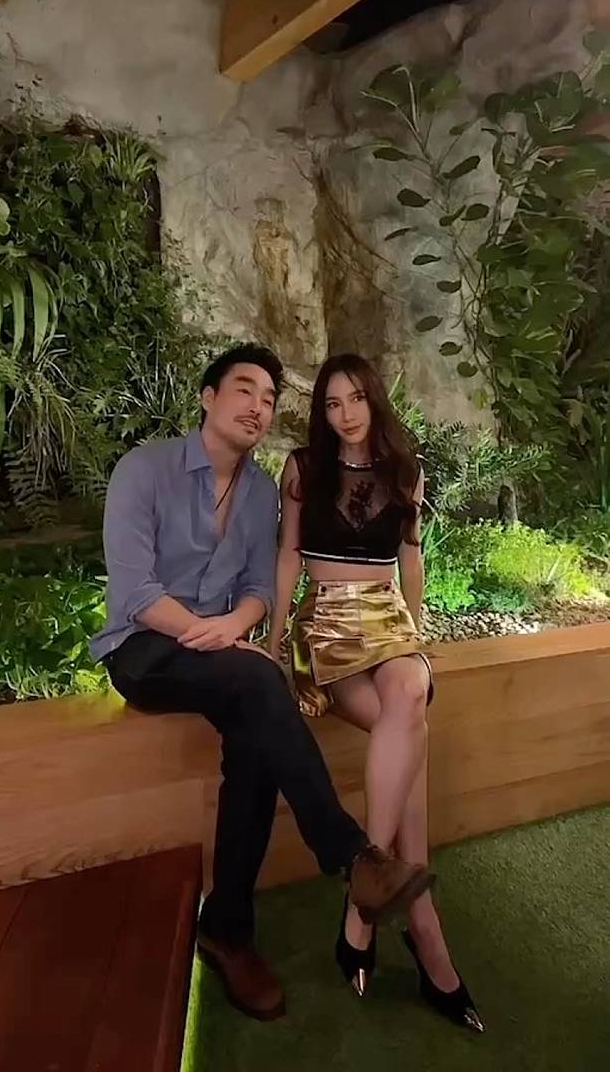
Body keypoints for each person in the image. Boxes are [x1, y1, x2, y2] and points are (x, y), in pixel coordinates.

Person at [90, 343, 433, 1024]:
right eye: (244, 390)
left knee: (254, 733)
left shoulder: (256, 492)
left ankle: (228, 930)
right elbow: (135, 592)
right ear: (208, 397)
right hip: (143, 649)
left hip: (225, 659)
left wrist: (238, 627)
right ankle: (352, 857)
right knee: (255, 679)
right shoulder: (145, 470)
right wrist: (212, 633)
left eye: (270, 398)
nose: (258, 406)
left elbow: (258, 585)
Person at [268, 353, 484, 1032]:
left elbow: (410, 556)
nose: (345, 414)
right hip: (327, 625)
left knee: (410, 685)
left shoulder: (406, 470)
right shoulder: (304, 468)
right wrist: (274, 639)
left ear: (375, 400)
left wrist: (414, 632)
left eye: (356, 399)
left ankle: (365, 901)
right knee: (411, 723)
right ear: (322, 412)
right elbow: (288, 556)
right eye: (332, 404)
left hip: (388, 621)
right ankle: (424, 929)